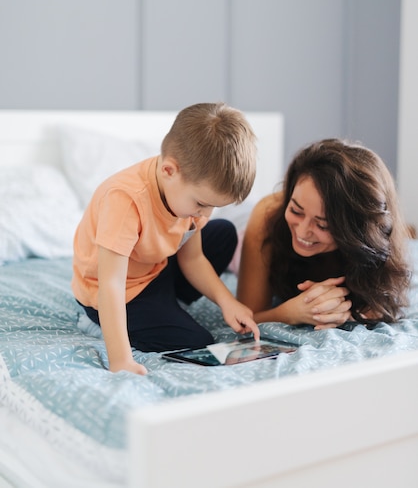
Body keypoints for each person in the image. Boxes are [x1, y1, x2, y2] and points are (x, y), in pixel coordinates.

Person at [72, 102, 260, 376]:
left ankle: (167, 306)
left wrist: (226, 301)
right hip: (116, 292)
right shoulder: (125, 200)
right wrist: (121, 359)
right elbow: (110, 284)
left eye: (212, 206)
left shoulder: (187, 193)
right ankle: (99, 322)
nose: (205, 213)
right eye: (201, 203)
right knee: (198, 342)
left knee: (223, 233)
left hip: (154, 269)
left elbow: (193, 258)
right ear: (169, 171)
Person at [237, 138, 411, 330]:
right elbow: (246, 318)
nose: (303, 231)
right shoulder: (268, 214)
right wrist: (291, 313)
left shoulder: (374, 242)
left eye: (323, 225)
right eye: (296, 210)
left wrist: (343, 311)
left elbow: (380, 307)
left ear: (356, 232)